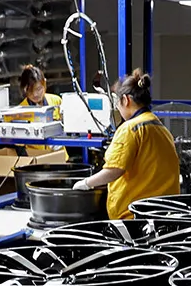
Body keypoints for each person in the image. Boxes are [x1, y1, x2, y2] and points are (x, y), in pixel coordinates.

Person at [71, 70, 179, 219]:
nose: (118, 108)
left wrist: (87, 183)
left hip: (136, 217)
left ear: (126, 100)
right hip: (163, 212)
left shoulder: (130, 129)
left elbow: (114, 170)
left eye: (117, 103)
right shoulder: (160, 127)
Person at [18, 62, 62, 157]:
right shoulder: (20, 110)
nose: (35, 94)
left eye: (38, 89)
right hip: (35, 159)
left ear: (44, 83)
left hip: (59, 156)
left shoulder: (56, 101)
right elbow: (18, 144)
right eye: (30, 90)